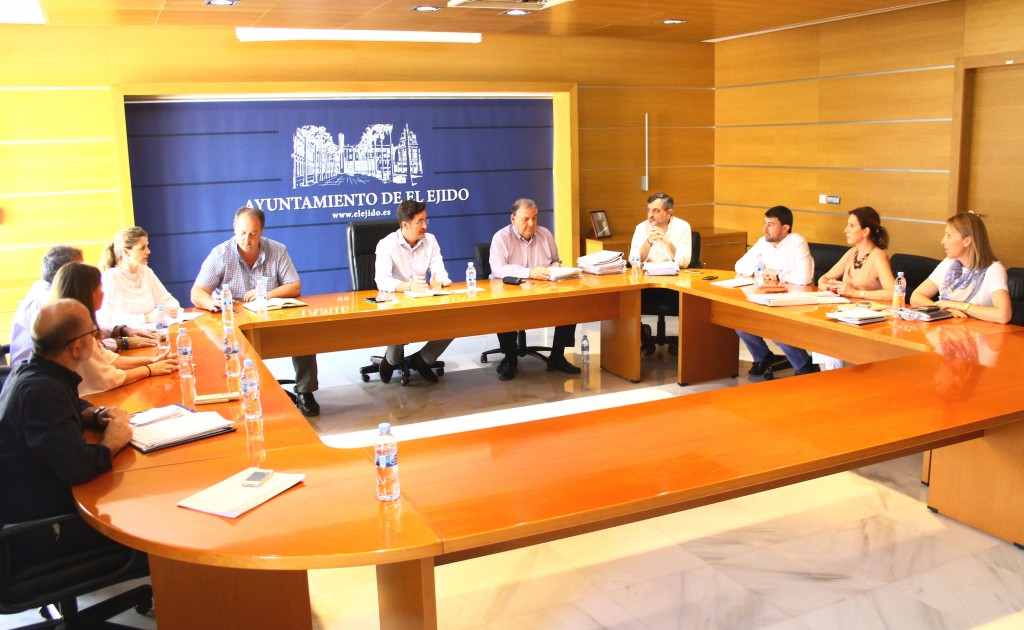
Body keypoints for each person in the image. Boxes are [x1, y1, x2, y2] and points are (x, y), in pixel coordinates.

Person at [0, 299, 138, 571]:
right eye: (92, 332)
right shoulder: (42, 393)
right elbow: (79, 467)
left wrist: (97, 415)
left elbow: (71, 405)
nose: (97, 337)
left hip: (34, 507)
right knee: (148, 509)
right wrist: (113, 440)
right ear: (76, 347)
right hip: (44, 532)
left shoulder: (34, 371)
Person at [191, 206, 321, 416]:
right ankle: (243, 392)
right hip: (235, 322)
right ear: (234, 228)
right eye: (242, 232)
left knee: (302, 331)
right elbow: (197, 292)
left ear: (262, 231)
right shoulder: (220, 254)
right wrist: (213, 304)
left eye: (253, 233)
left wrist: (267, 295)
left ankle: (305, 391)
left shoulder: (277, 250)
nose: (247, 239)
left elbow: (294, 286)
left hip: (270, 318)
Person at [51, 262, 178, 396]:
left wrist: (152, 360)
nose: (103, 293)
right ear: (86, 293)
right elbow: (109, 378)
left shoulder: (75, 323)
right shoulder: (77, 332)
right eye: (99, 288)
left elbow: (107, 358)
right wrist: (150, 369)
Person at [489, 198, 581, 380]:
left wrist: (554, 268)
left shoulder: (545, 234)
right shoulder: (501, 238)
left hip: (543, 291)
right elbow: (498, 270)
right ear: (513, 219)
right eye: (526, 219)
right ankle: (510, 359)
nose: (531, 224)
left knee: (569, 304)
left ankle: (557, 356)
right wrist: (530, 272)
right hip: (510, 294)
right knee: (505, 308)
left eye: (534, 218)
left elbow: (556, 260)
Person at [374, 200, 452, 384]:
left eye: (426, 220)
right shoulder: (386, 244)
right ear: (405, 225)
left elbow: (439, 269)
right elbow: (382, 280)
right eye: (420, 222)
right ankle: (390, 361)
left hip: (423, 299)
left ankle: (423, 359)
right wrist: (408, 286)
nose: (425, 226)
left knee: (454, 320)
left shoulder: (430, 240)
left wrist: (438, 280)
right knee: (398, 334)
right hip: (396, 303)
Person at [734, 205, 818, 376]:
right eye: (764, 223)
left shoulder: (797, 242)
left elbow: (804, 278)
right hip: (767, 297)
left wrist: (778, 274)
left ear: (785, 228)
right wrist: (760, 271)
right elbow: (739, 266)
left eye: (770, 224)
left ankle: (804, 365)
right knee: (740, 324)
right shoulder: (763, 242)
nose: (765, 228)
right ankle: (763, 357)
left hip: (794, 301)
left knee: (778, 331)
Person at [814, 206, 895, 370]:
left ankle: (833, 378)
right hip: (846, 313)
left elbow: (893, 293)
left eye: (851, 226)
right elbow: (823, 278)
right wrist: (829, 286)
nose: (846, 230)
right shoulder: (852, 253)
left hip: (869, 320)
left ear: (865, 231)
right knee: (821, 332)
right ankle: (828, 377)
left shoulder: (878, 257)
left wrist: (855, 292)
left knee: (829, 337)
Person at [910, 212, 1011, 324]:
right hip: (947, 328)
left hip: (977, 332)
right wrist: (943, 309)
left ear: (967, 241)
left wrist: (959, 306)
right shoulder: (949, 263)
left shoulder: (993, 269)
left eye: (949, 236)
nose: (943, 241)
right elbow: (916, 297)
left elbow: (1003, 315)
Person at [10, 245, 84, 366]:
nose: (83, 274)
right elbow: (74, 345)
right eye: (79, 269)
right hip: (35, 370)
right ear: (63, 272)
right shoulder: (49, 302)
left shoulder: (44, 290)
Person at [96, 226, 180, 330]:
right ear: (126, 252)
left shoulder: (146, 271)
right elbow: (104, 319)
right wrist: (145, 318)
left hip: (152, 333)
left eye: (147, 246)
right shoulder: (111, 277)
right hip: (127, 337)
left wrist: (170, 308)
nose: (148, 251)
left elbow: (166, 299)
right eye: (142, 248)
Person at [628, 192, 692, 269]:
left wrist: (664, 241)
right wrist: (648, 241)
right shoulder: (641, 227)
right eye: (649, 210)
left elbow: (684, 263)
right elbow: (633, 261)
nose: (650, 215)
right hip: (647, 274)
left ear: (669, 212)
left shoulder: (682, 227)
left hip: (674, 274)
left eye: (656, 210)